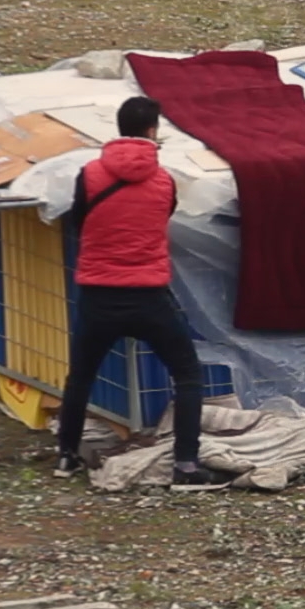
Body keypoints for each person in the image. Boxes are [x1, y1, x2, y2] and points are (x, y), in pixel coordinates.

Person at [54, 96, 233, 492]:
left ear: (118, 129)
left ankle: (67, 455)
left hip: (98, 293)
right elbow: (161, 217)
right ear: (153, 131)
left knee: (81, 376)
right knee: (186, 374)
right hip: (149, 295)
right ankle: (186, 464)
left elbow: (80, 222)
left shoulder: (90, 174)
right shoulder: (165, 180)